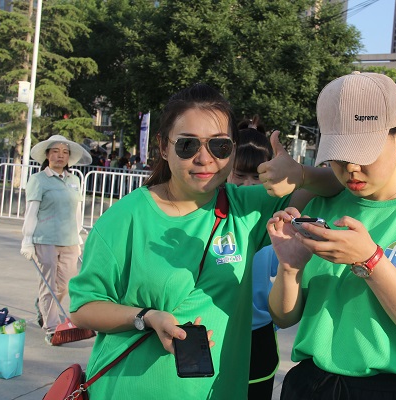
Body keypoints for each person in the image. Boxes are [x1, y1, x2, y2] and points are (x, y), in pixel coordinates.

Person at [68, 83, 342, 399]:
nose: (204, 158)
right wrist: (146, 317)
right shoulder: (125, 218)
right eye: (187, 145)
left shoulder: (245, 208)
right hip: (129, 389)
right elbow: (83, 307)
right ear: (163, 147)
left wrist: (301, 173)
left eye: (219, 146)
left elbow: (337, 184)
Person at [266, 72, 396, 399]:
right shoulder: (322, 203)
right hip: (311, 384)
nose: (351, 168)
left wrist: (371, 261)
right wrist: (289, 268)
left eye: (364, 153)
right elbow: (284, 317)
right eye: (339, 156)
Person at [19, 135, 92, 345]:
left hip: (69, 239)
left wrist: (78, 236)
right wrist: (27, 240)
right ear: (47, 155)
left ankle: (42, 306)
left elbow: (76, 211)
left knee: (66, 284)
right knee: (48, 283)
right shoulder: (38, 180)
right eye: (55, 152)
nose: (60, 156)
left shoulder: (74, 180)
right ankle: (51, 327)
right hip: (45, 239)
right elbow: (31, 212)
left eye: (65, 152)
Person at [227, 123, 279, 400]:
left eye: (257, 177)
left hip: (258, 337)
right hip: (213, 334)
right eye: (240, 175)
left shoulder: (272, 226)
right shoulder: (209, 219)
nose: (248, 185)